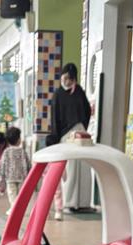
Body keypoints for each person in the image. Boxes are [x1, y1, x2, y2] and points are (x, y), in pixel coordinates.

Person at [49, 62, 91, 219]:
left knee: (82, 167)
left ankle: (80, 202)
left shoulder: (79, 91)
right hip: (65, 135)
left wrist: (83, 127)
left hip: (80, 132)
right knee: (69, 169)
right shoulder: (58, 94)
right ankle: (67, 203)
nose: (67, 82)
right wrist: (55, 137)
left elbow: (87, 110)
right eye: (65, 78)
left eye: (70, 79)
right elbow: (55, 118)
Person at [0, 127, 30, 210]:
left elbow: (2, 164)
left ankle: (13, 208)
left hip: (10, 177)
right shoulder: (22, 151)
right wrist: (29, 174)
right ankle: (17, 208)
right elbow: (28, 164)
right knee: (20, 195)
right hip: (21, 177)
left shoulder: (6, 152)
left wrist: (1, 176)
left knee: (12, 194)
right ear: (19, 139)